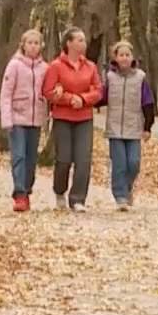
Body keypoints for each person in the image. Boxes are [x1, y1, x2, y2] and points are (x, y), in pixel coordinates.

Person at [42, 26, 101, 211]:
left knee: (83, 159)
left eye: (84, 40)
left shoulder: (90, 67)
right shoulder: (56, 66)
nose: (84, 43)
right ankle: (60, 191)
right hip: (63, 117)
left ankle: (78, 199)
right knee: (64, 159)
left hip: (84, 117)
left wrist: (83, 99)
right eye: (80, 40)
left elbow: (98, 91)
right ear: (69, 43)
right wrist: (69, 99)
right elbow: (48, 91)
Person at [98, 40, 155, 210]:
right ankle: (120, 196)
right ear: (115, 57)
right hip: (115, 129)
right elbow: (101, 98)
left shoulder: (140, 78)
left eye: (127, 55)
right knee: (119, 163)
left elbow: (148, 103)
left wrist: (147, 127)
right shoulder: (109, 77)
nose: (124, 58)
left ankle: (128, 187)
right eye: (121, 55)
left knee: (133, 163)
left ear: (132, 58)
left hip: (134, 128)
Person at [0, 30, 49, 212]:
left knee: (31, 159)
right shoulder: (15, 65)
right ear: (23, 44)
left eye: (37, 43)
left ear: (41, 46)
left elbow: (48, 90)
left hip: (35, 120)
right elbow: (5, 94)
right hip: (17, 118)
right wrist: (7, 120)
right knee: (19, 156)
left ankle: (27, 190)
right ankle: (19, 194)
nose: (33, 46)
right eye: (30, 43)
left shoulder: (45, 68)